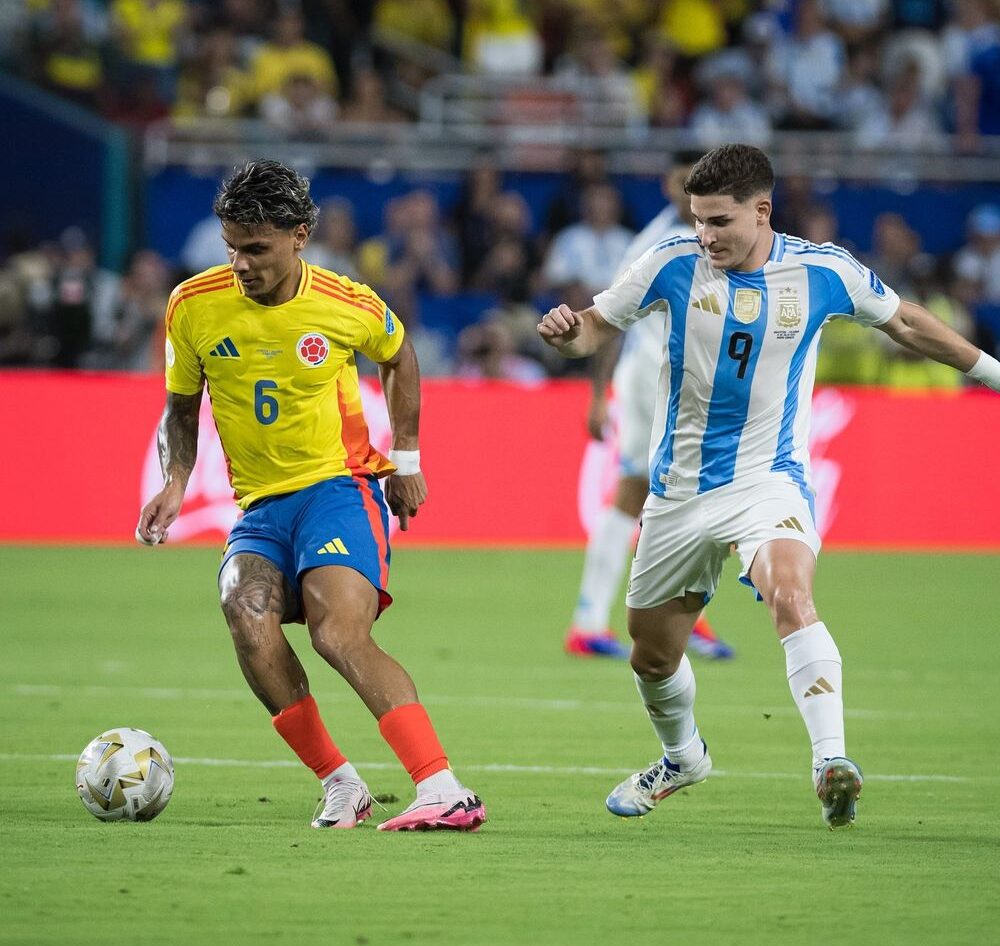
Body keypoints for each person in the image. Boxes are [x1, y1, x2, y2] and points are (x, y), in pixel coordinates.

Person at [537, 143, 1000, 829]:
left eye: (720, 221)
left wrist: (991, 372)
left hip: (767, 481)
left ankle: (830, 762)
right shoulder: (669, 262)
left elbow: (903, 320)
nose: (705, 235)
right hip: (679, 492)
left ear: (762, 210)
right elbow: (594, 330)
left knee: (790, 593)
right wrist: (565, 332)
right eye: (698, 219)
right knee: (651, 654)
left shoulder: (820, 271)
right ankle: (683, 756)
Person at [136, 160, 485, 833]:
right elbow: (180, 409)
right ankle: (341, 784)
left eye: (257, 248)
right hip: (261, 510)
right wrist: (174, 481)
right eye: (231, 246)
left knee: (336, 633)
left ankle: (443, 787)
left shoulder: (344, 303)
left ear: (299, 236)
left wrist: (405, 461)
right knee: (245, 612)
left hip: (339, 489)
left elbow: (401, 355)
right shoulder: (192, 305)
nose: (241, 262)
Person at [565, 152, 735, 662]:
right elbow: (608, 317)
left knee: (660, 495)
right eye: (687, 185)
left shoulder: (709, 240)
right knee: (655, 493)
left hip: (682, 381)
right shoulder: (655, 245)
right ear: (669, 186)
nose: (695, 196)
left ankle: (675, 615)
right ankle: (594, 620)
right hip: (651, 379)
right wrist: (600, 394)